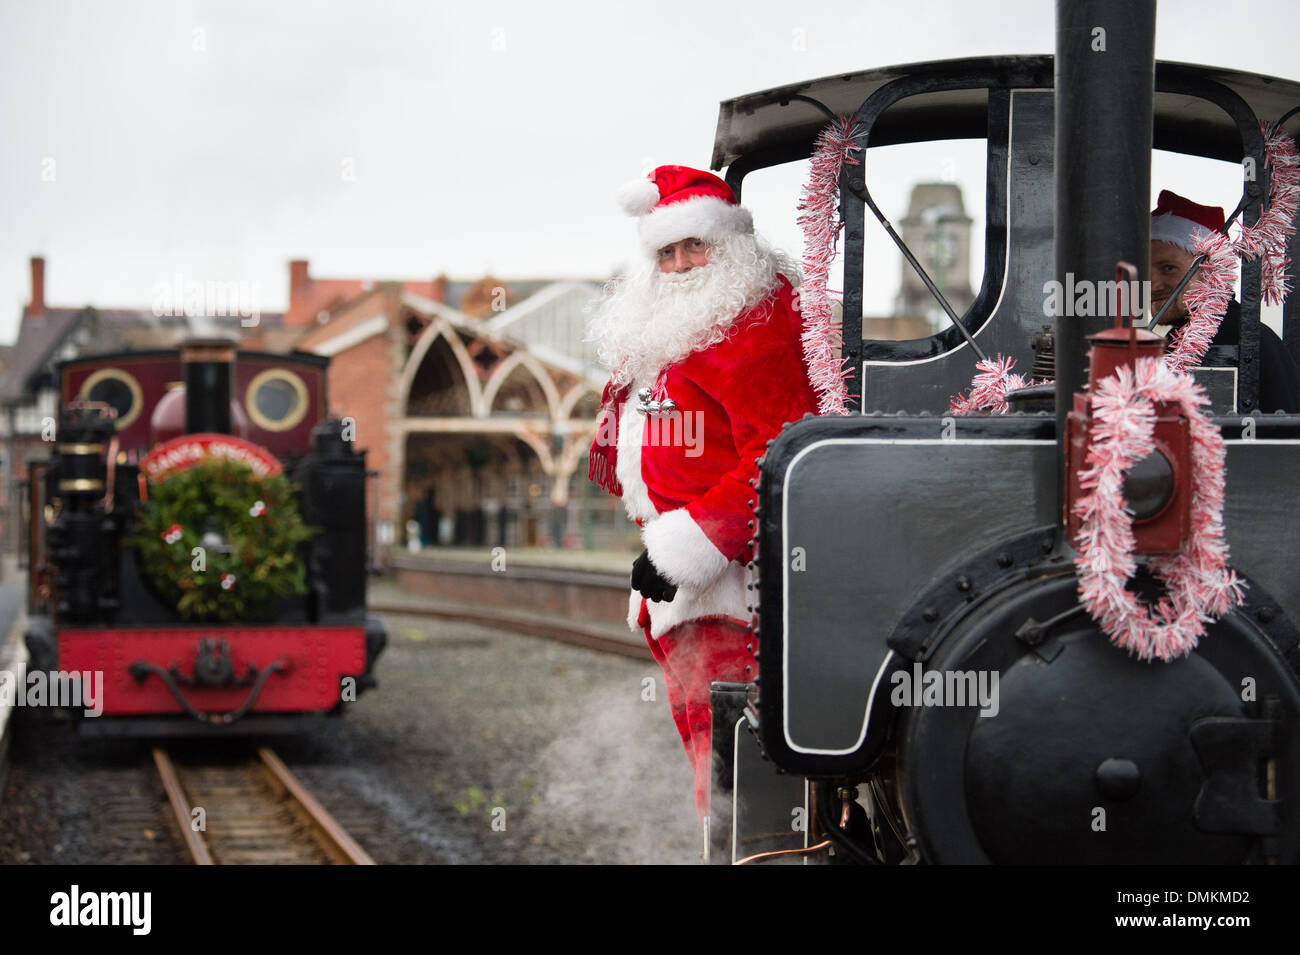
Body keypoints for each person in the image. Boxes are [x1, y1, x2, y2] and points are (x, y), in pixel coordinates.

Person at [587, 165, 820, 836]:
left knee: (731, 757)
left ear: (731, 244)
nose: (682, 262)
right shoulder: (688, 325)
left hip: (731, 581)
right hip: (689, 579)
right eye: (667, 251)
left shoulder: (753, 324)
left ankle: (752, 852)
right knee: (706, 741)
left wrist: (687, 543)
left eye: (696, 245)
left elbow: (779, 453)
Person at [1150, 189, 1300, 412]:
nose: (1153, 284)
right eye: (1146, 269)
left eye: (1168, 268)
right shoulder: (1247, 330)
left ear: (1211, 269)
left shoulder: (1221, 337)